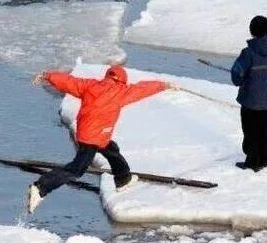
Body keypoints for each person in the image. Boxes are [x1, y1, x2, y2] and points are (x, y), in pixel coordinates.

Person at [27, 65, 176, 212]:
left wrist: (48, 75)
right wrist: (164, 85)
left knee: (111, 149)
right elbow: (143, 88)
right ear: (122, 80)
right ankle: (41, 187)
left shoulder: (90, 85)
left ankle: (123, 179)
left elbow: (69, 81)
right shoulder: (121, 91)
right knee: (77, 169)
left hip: (90, 133)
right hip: (93, 137)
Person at [231, 15, 267, 172]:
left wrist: (241, 78)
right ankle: (264, 159)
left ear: (251, 31)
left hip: (250, 101)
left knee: (250, 131)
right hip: (266, 101)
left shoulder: (248, 53)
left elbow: (237, 74)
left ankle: (253, 162)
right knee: (264, 130)